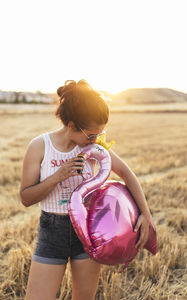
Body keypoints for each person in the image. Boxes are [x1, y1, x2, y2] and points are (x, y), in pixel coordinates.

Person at [20, 79, 152, 300]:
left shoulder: (94, 148)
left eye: (100, 134)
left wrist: (145, 214)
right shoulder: (40, 146)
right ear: (71, 125)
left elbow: (127, 174)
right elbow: (25, 197)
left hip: (89, 232)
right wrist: (58, 177)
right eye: (91, 135)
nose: (96, 140)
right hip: (52, 232)